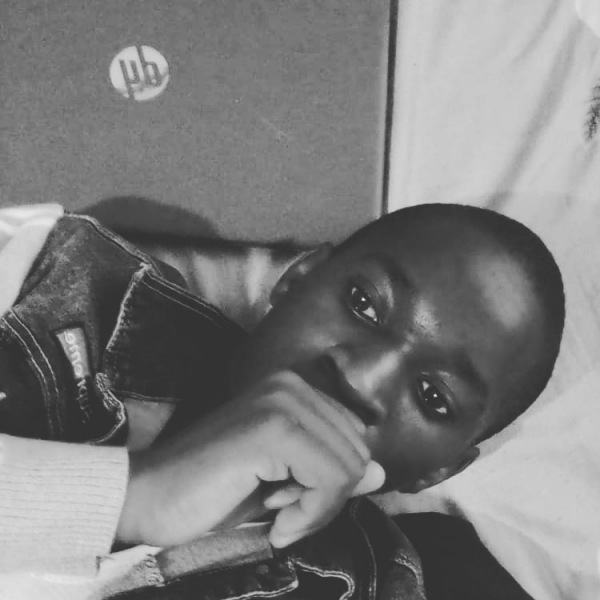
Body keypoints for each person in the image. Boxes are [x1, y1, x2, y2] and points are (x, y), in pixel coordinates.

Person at [0, 203, 564, 599]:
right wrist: (135, 495)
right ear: (298, 278)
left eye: (433, 396)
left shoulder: (393, 585)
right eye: (364, 303)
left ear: (437, 473)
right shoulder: (58, 278)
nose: (362, 377)